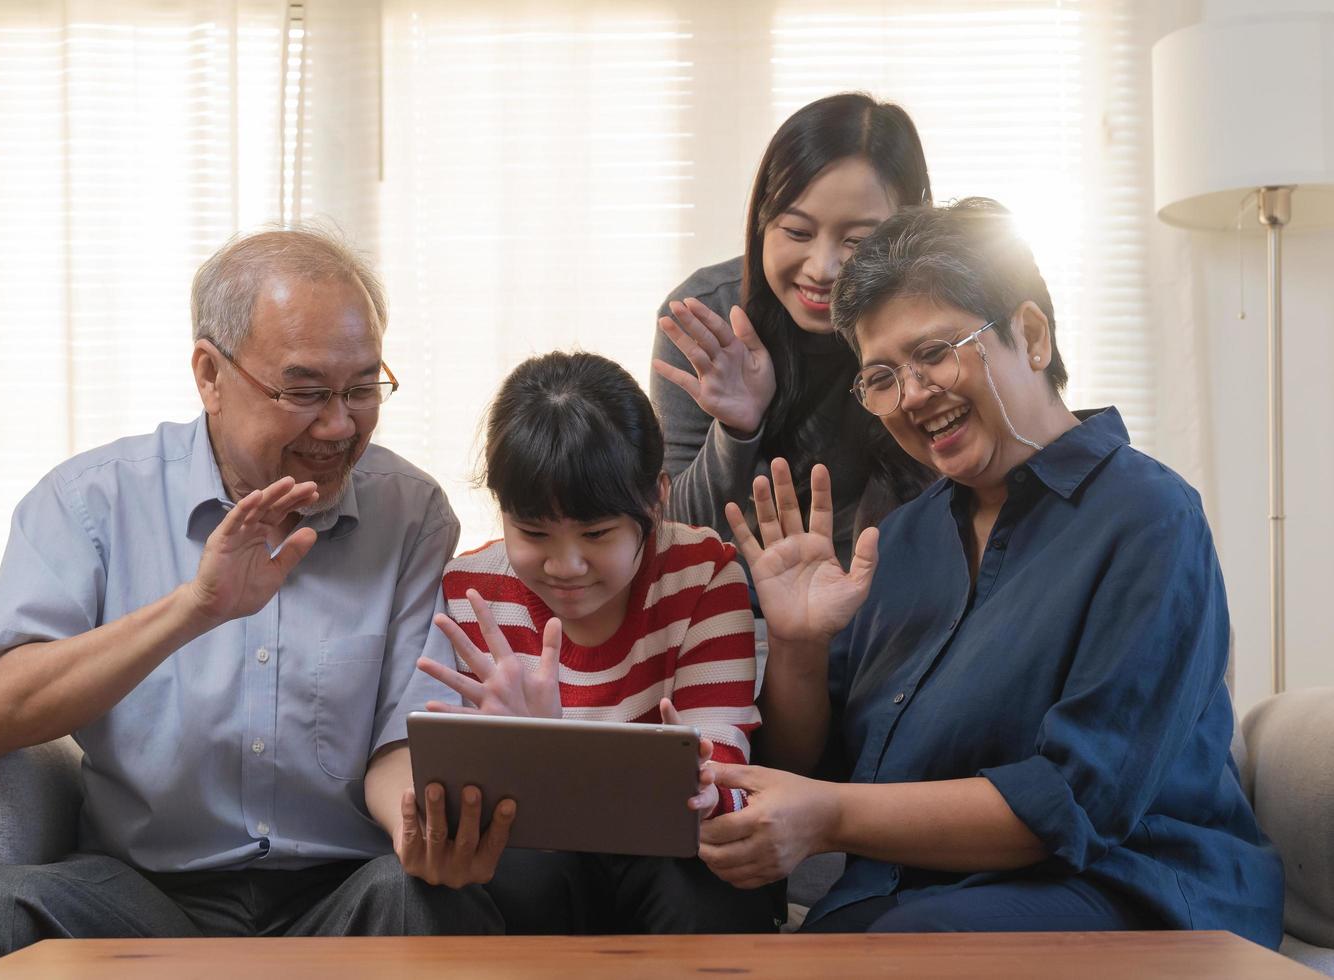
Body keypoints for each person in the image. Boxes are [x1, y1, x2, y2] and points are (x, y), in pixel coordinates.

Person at [0, 228, 507, 978]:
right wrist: (194, 608)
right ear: (209, 372)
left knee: (431, 902)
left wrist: (421, 829)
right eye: (305, 391)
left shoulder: (412, 513)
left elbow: (403, 737)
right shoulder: (90, 502)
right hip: (143, 892)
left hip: (341, 893)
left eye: (363, 389)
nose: (339, 425)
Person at [695, 199, 1285, 944]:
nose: (912, 396)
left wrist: (833, 815)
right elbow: (814, 765)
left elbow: (1073, 801)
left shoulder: (1150, 517)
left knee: (902, 948)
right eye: (881, 376)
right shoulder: (903, 540)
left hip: (1134, 889)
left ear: (1031, 336)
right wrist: (800, 647)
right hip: (924, 902)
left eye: (935, 353)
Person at [415, 351, 776, 934]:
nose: (567, 565)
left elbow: (725, 765)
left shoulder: (703, 572)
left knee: (703, 883)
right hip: (536, 856)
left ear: (656, 499)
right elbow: (460, 804)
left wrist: (705, 788)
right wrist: (515, 751)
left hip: (672, 856)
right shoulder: (470, 590)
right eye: (533, 533)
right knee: (514, 875)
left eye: (597, 533)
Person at [650, 92, 935, 559]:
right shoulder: (707, 318)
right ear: (762, 222)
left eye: (859, 240)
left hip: (886, 594)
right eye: (798, 232)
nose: (822, 269)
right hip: (738, 604)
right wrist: (737, 430)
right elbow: (675, 535)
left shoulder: (933, 324)